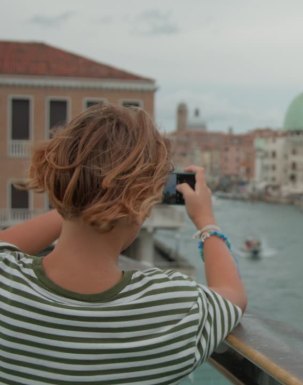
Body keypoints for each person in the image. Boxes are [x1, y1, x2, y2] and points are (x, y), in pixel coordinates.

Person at [0, 104, 246, 384]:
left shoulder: (6, 283)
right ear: (141, 204)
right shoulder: (173, 309)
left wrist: (80, 197)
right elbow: (231, 293)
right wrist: (205, 219)